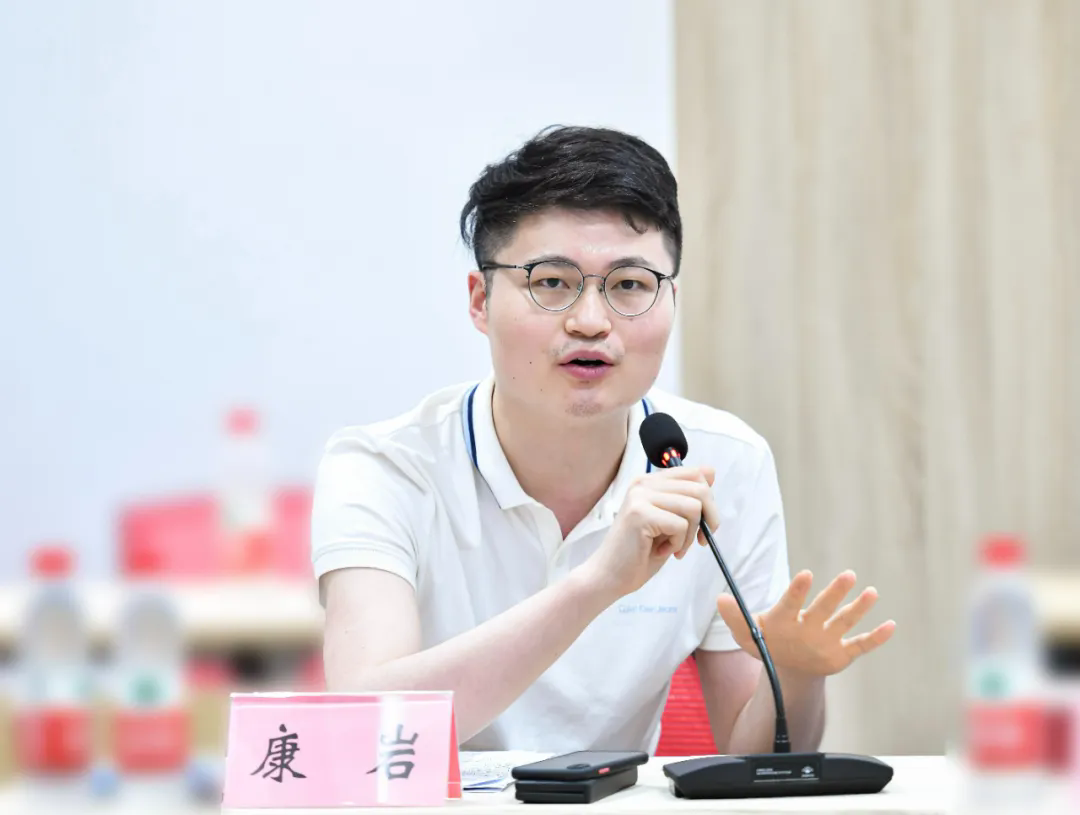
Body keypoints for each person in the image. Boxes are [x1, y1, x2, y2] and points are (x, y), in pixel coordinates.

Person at [311, 125, 895, 755]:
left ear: (670, 299)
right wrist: (597, 584)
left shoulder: (724, 462)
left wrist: (799, 676)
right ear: (480, 300)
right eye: (550, 282)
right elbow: (363, 731)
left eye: (629, 285)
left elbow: (753, 763)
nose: (590, 322)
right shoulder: (383, 467)